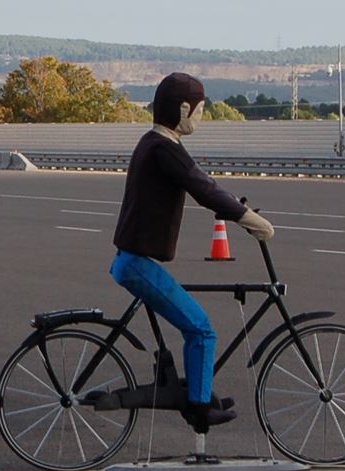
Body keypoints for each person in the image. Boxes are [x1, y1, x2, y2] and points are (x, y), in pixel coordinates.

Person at [110, 73, 275, 432]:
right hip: (137, 263)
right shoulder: (163, 149)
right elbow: (202, 187)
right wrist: (247, 219)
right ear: (184, 109)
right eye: (200, 110)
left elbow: (204, 185)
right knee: (201, 329)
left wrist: (233, 209)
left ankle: (200, 392)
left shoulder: (154, 143)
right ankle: (199, 408)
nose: (201, 117)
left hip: (133, 259)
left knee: (194, 323)